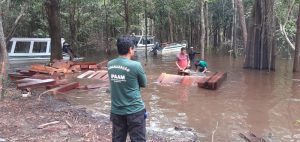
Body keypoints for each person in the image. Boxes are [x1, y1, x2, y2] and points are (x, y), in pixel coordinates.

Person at [107, 35, 147, 142]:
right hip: (135, 111)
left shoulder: (110, 65)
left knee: (117, 139)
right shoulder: (136, 65)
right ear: (130, 49)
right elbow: (144, 84)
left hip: (116, 111)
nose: (134, 50)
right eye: (134, 48)